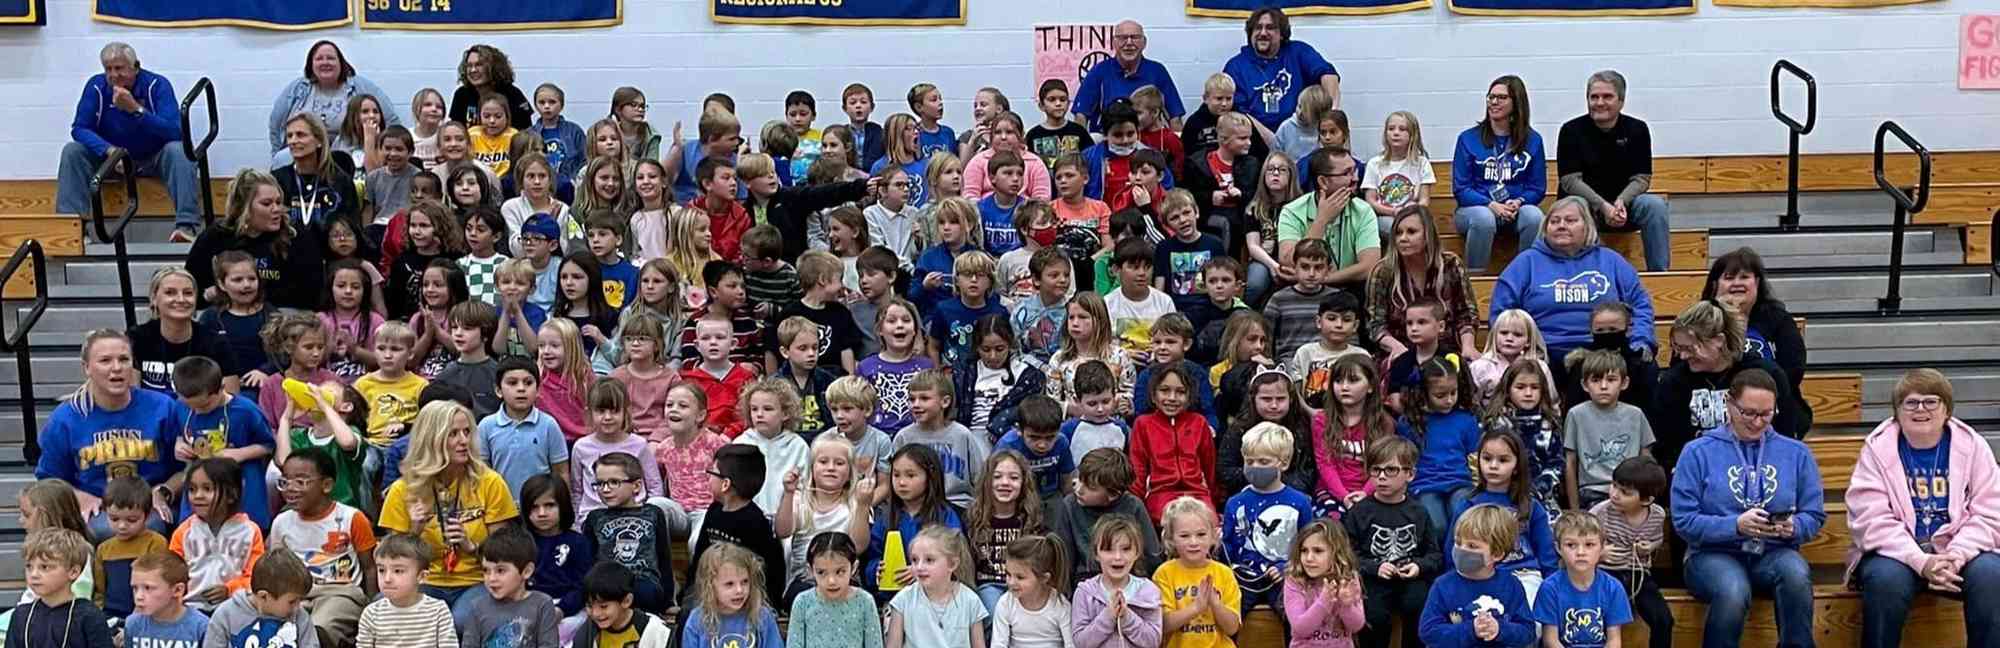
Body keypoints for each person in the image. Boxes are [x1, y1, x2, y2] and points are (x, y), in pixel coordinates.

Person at [1671, 368, 1825, 648]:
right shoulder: (1696, 452)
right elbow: (1683, 521)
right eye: (1748, 413)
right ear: (1729, 405)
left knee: (1796, 576)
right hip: (1710, 555)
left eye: (1766, 414)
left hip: (1775, 551)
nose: (1757, 423)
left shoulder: (1796, 453)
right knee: (1733, 590)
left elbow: (1813, 514)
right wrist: (1735, 525)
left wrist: (1795, 527)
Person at [1846, 368, 2000, 648]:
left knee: (1992, 573)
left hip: (1957, 551)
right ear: (1897, 411)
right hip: (1897, 553)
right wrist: (1921, 561)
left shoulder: (1974, 447)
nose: (1921, 409)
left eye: (1931, 401)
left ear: (1947, 410)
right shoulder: (1876, 450)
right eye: (1911, 402)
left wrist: (1956, 554)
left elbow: (1991, 512)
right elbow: (1870, 519)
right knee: (1885, 580)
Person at [1489, 196, 1655, 387]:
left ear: (1587, 226)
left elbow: (1640, 304)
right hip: (1544, 352)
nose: (1561, 225)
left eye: (1570, 220)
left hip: (1606, 349)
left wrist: (1640, 340)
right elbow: (1501, 312)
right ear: (1545, 228)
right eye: (1554, 221)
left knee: (1646, 369)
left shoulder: (1612, 261)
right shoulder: (1526, 263)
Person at [37, 330, 184, 538]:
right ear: (86, 367)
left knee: (148, 528)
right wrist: (79, 497)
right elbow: (49, 481)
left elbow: (187, 469)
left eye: (124, 359)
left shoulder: (163, 408)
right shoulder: (66, 418)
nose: (116, 368)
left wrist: (165, 491)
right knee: (103, 529)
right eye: (105, 361)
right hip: (98, 508)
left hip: (149, 507)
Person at [57, 42, 203, 242]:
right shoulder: (96, 87)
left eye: (119, 68)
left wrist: (136, 110)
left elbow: (176, 131)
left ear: (136, 67)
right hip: (113, 159)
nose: (114, 75)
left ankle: (187, 227)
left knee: (179, 150)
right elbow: (79, 128)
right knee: (73, 151)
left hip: (153, 157)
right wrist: (109, 151)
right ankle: (72, 230)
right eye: (108, 69)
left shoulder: (156, 85)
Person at [1654, 300, 1812, 469]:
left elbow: (1784, 437)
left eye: (1690, 348)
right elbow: (1668, 449)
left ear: (1719, 340)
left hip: (1759, 470)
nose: (1683, 356)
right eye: (1678, 348)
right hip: (1698, 474)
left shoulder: (1766, 375)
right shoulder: (1673, 382)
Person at [1557, 70, 1671, 272]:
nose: (1599, 102)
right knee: (1576, 205)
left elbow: (1642, 178)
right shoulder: (1571, 130)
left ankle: (1659, 274)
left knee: (1655, 205)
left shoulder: (1638, 129)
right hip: (1586, 207)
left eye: (1607, 96)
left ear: (1621, 101)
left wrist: (1620, 202)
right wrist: (1603, 206)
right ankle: (1583, 273)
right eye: (1594, 97)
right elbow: (1570, 181)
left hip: (1624, 207)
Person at [187, 168, 326, 311]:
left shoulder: (295, 235)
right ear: (244, 207)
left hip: (281, 317)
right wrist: (211, 295)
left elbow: (311, 295)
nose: (276, 209)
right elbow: (191, 289)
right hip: (226, 314)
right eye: (267, 204)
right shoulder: (216, 236)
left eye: (278, 202)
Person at [1451, 75, 1547, 273]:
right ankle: (1475, 280)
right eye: (1490, 97)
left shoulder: (1533, 140)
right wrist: (1491, 204)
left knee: (1535, 216)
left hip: (1513, 210)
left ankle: (1524, 276)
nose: (1493, 102)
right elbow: (1461, 189)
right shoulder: (1468, 139)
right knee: (1484, 218)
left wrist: (1518, 201)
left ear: (1516, 102)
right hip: (1475, 210)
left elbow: (1537, 188)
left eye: (1501, 98)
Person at [1364, 206, 1478, 363]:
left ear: (1427, 236)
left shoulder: (1451, 264)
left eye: (1411, 232)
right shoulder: (1383, 271)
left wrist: (1468, 346)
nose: (1402, 238)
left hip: (1447, 352)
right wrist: (1398, 349)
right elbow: (1375, 324)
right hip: (1399, 351)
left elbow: (1466, 313)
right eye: (1398, 233)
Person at [266, 40, 402, 169]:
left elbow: (391, 120)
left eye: (330, 58)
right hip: (305, 150)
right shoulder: (297, 88)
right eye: (319, 58)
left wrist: (385, 149)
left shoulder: (361, 86)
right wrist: (276, 152)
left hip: (350, 152)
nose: (325, 62)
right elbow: (276, 124)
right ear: (311, 64)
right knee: (281, 159)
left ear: (341, 63)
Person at [1701, 247, 1809, 399]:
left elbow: (1793, 370)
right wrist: (1723, 313)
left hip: (1769, 402)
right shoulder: (1699, 320)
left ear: (1757, 282)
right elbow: (1683, 365)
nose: (1736, 283)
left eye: (1744, 277)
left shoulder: (1779, 320)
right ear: (1715, 285)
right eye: (1728, 278)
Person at [1277, 148, 1379, 295]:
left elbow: (1370, 266)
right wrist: (1321, 220)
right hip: (1304, 291)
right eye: (1347, 173)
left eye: (1354, 171)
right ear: (1323, 181)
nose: (1355, 178)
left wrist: (1320, 279)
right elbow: (1288, 261)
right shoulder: (1292, 211)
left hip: (1349, 289)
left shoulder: (1363, 210)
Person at [1222, 8, 1341, 132]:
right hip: (1255, 139)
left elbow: (1329, 75)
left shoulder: (1298, 51)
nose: (1263, 33)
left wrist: (1331, 116)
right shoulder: (1235, 67)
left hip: (1301, 134)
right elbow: (1239, 115)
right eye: (1258, 28)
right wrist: (1274, 142)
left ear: (1282, 34)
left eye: (1270, 28)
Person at [7, 529, 114, 648]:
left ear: (73, 572)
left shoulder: (89, 616)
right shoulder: (21, 615)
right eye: (29, 566)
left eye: (44, 567)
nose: (34, 574)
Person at [1072, 20, 1185, 131]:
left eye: (1135, 37)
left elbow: (1175, 117)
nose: (1129, 43)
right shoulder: (1099, 71)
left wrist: (1180, 147)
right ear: (1114, 42)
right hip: (1108, 140)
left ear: (1144, 42)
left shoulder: (1157, 71)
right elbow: (1080, 116)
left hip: (1148, 142)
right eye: (1123, 38)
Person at [447, 45, 530, 129]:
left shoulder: (513, 94)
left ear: (494, 67)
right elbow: (455, 130)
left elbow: (526, 133)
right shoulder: (461, 94)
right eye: (469, 65)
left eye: (479, 65)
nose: (473, 70)